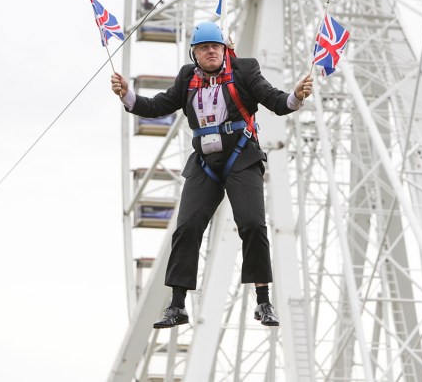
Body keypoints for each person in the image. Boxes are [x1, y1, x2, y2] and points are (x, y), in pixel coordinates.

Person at [110, 21, 314, 329]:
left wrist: (296, 96)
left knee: (252, 224)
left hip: (241, 158)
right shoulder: (187, 79)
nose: (211, 52)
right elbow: (157, 105)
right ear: (194, 54)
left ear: (225, 49)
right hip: (205, 163)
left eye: (216, 47)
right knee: (187, 227)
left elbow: (273, 100)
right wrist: (127, 95)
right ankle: (177, 305)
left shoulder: (245, 70)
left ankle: (263, 301)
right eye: (204, 48)